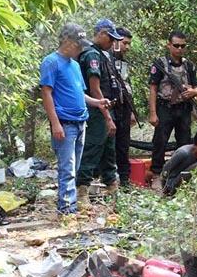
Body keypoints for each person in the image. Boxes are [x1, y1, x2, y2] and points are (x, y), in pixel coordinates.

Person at [39, 23, 113, 215]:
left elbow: (80, 93)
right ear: (67, 41)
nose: (80, 48)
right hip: (65, 123)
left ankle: (69, 206)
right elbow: (46, 93)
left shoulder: (75, 65)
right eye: (77, 44)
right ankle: (66, 210)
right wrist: (55, 123)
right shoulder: (51, 62)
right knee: (67, 169)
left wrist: (98, 102)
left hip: (81, 122)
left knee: (75, 167)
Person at [76, 19, 125, 205]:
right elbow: (95, 89)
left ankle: (112, 187)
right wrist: (107, 117)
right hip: (96, 110)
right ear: (101, 34)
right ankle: (82, 191)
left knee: (108, 149)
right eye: (110, 38)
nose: (112, 43)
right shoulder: (91, 55)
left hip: (105, 109)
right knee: (92, 148)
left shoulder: (103, 55)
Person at [148, 31, 197, 189]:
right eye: (176, 45)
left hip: (183, 109)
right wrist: (153, 113)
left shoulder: (189, 66)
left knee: (184, 142)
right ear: (169, 45)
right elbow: (153, 89)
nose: (179, 49)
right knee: (160, 142)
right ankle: (156, 174)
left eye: (183, 46)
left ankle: (180, 176)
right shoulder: (160, 64)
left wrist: (192, 92)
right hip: (165, 107)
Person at [111, 27, 138, 186]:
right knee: (109, 145)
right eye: (124, 43)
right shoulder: (105, 59)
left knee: (123, 145)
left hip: (124, 108)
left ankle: (124, 180)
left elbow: (127, 87)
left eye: (129, 44)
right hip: (110, 107)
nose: (127, 47)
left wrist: (132, 111)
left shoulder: (124, 63)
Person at [161, 127, 197, 195]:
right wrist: (165, 188)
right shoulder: (183, 153)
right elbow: (165, 170)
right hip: (172, 184)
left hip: (183, 183)